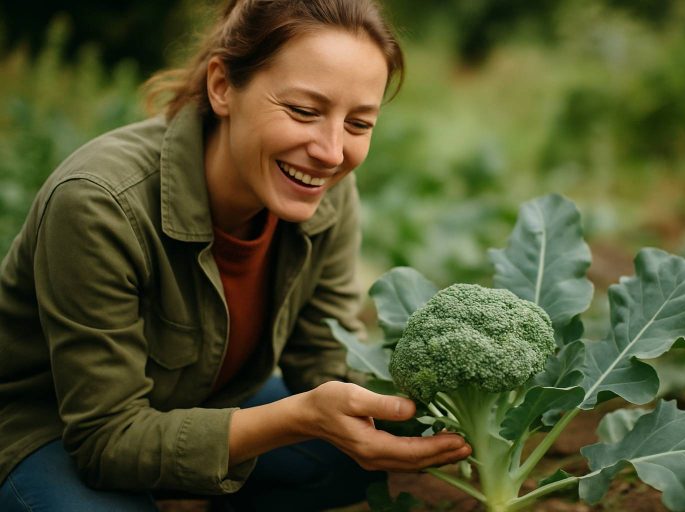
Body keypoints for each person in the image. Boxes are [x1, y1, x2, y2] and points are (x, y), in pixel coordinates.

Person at [0, 0, 472, 510]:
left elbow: (322, 356)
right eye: (304, 111)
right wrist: (301, 417)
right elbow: (104, 440)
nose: (332, 152)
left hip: (202, 403)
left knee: (353, 458)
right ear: (222, 86)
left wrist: (447, 404)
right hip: (52, 431)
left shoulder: (327, 191)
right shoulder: (99, 203)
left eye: (358, 124)